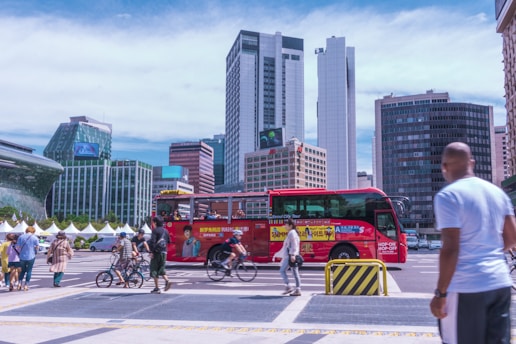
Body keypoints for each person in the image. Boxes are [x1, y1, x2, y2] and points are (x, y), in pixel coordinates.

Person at [430, 142, 515, 344]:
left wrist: (440, 293)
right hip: (500, 283)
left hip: (467, 287)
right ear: (472, 162)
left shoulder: (448, 196)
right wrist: (487, 250)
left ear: (444, 166)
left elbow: (451, 248)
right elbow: (512, 238)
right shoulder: (497, 193)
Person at [273, 219, 301, 296]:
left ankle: (291, 287)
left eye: (286, 225)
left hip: (291, 255)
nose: (285, 226)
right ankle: (294, 288)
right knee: (294, 272)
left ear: (290, 226)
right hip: (291, 255)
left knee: (284, 270)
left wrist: (293, 255)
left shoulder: (292, 233)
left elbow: (294, 245)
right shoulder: (292, 232)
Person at [148, 216, 172, 294]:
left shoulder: (155, 231)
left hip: (156, 252)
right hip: (164, 252)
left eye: (153, 222)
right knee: (161, 268)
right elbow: (169, 241)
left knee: (154, 269)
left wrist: (151, 252)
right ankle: (167, 280)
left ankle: (157, 288)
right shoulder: (166, 231)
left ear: (155, 222)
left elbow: (152, 242)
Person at [16, 226, 39, 291]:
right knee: (29, 270)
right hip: (31, 256)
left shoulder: (21, 237)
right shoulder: (35, 238)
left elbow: (18, 247)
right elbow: (37, 247)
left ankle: (19, 283)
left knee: (22, 270)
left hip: (22, 256)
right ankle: (26, 285)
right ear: (33, 231)